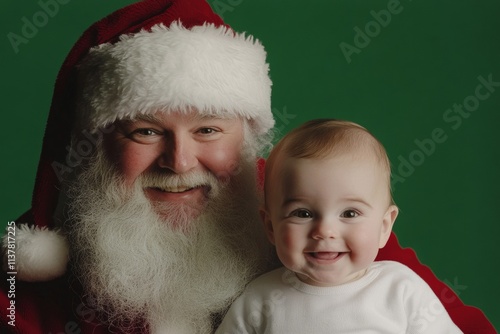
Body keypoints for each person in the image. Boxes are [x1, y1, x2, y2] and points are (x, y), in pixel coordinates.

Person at [0, 1, 495, 333]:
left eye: (209, 130)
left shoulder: (306, 211)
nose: (180, 162)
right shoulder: (28, 259)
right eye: (146, 131)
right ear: (96, 140)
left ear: (247, 139)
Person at [216, 119, 463, 333]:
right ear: (271, 227)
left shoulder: (401, 290)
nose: (324, 231)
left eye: (349, 213)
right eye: (302, 213)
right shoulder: (260, 299)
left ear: (384, 227)